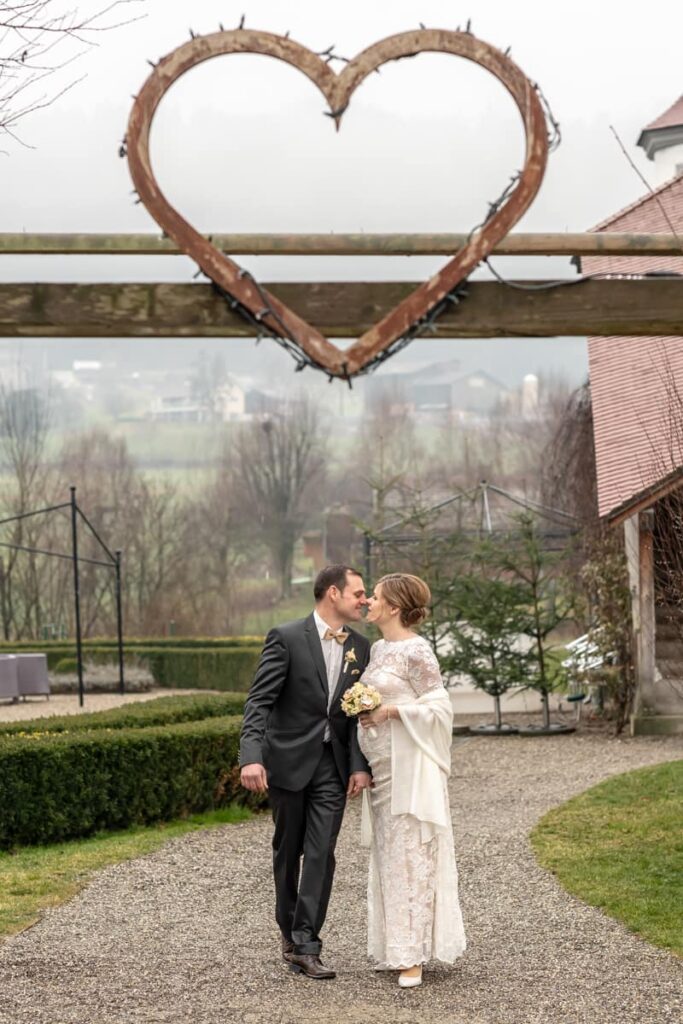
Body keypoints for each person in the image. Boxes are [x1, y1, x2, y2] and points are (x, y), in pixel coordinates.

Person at [239, 564, 372, 980]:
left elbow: (355, 717)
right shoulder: (286, 637)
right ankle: (288, 927)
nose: (364, 600)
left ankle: (306, 942)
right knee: (287, 851)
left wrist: (359, 766)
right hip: (288, 763)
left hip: (333, 769)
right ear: (333, 593)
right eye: (358, 593)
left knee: (321, 854)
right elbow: (259, 701)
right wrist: (250, 756)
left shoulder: (362, 647)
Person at [357, 572, 466, 989]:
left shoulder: (417, 650)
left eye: (376, 596)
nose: (369, 601)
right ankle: (395, 946)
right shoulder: (379, 648)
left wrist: (392, 713)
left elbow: (440, 707)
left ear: (395, 608)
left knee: (412, 855)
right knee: (389, 856)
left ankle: (414, 956)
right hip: (383, 769)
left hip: (411, 766)